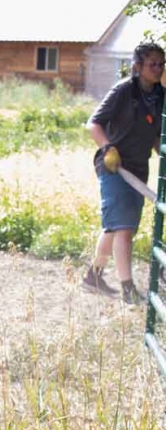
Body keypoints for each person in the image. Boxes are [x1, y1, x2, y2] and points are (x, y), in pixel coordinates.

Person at [81, 41, 165, 305]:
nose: (158, 68)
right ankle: (128, 289)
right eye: (152, 64)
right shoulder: (123, 90)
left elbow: (153, 134)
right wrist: (107, 147)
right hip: (113, 165)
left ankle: (93, 276)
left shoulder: (160, 95)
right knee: (124, 228)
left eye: (162, 64)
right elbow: (93, 124)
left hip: (138, 167)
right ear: (137, 66)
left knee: (115, 226)